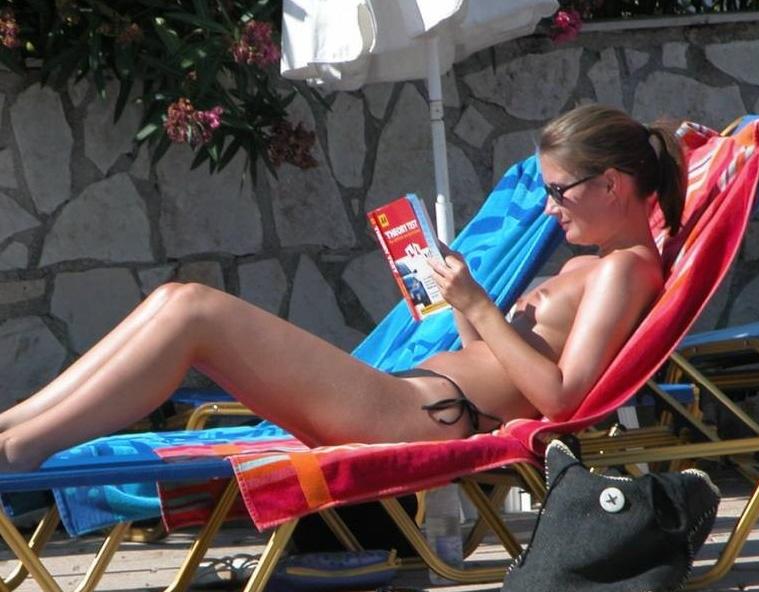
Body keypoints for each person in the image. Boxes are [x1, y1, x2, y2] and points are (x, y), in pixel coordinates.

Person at [0, 104, 685, 473]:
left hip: (417, 413)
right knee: (176, 302)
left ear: (612, 185)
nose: (549, 207)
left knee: (195, 311)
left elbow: (561, 400)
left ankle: (22, 450)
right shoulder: (588, 267)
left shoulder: (624, 270)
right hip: (413, 396)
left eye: (559, 190)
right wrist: (459, 296)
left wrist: (480, 305)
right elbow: (495, 359)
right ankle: (14, 428)